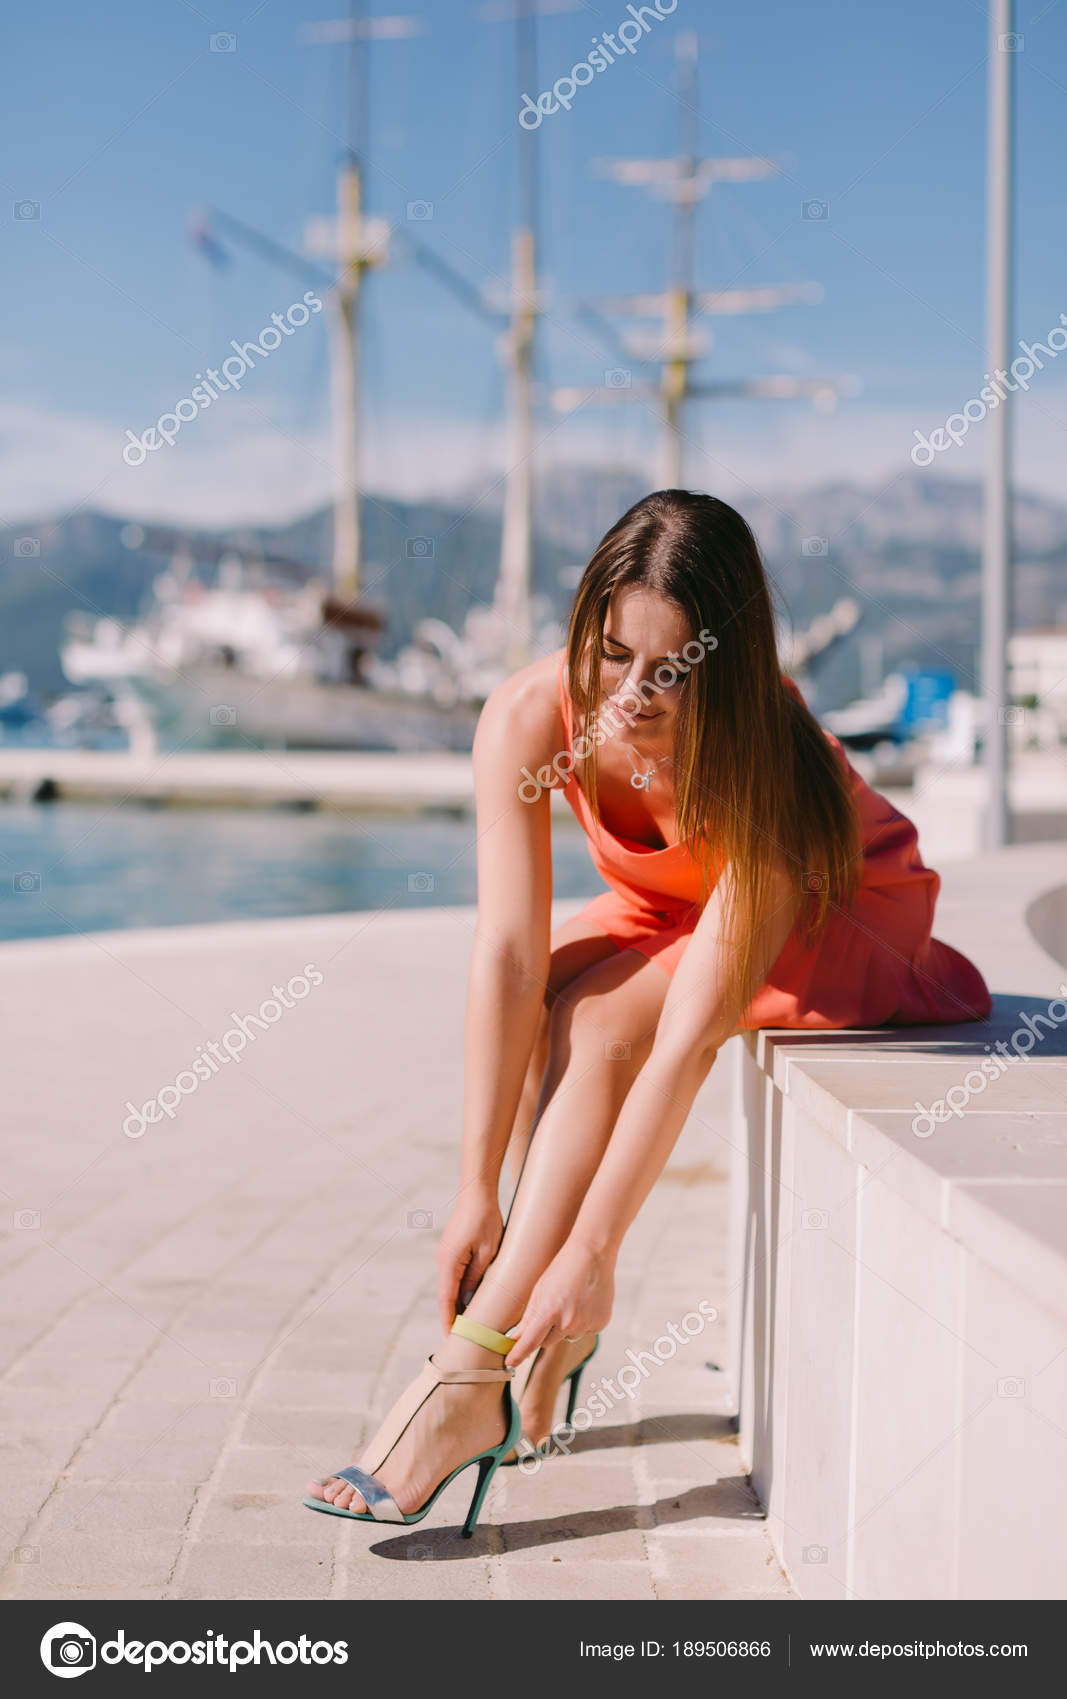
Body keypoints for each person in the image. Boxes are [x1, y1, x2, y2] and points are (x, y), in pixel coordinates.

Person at [303, 490, 992, 1532]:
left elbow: (681, 1041)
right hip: (672, 900)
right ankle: (534, 1337)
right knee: (558, 990)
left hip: (831, 907)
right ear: (583, 622)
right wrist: (472, 1189)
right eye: (611, 651)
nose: (630, 693)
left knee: (601, 1023)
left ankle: (465, 1376)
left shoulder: (762, 759)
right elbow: (502, 956)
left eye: (671, 670)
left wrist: (594, 1252)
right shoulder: (528, 716)